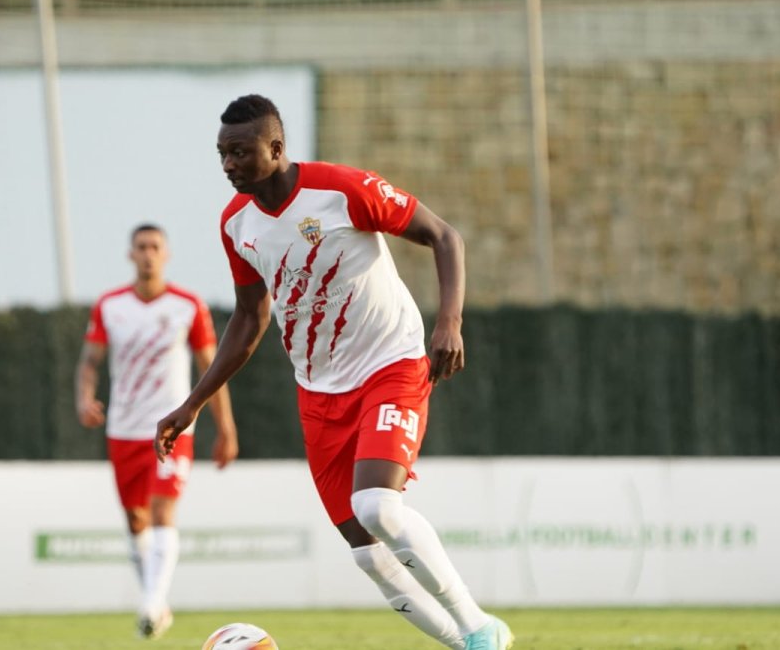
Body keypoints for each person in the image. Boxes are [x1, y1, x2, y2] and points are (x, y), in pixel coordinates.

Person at [156, 95, 514, 650]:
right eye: (222, 154)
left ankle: (480, 628)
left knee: (377, 506)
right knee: (366, 553)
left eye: (241, 152)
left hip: (390, 362)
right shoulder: (236, 225)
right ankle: (467, 642)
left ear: (276, 149)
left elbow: (445, 237)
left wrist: (450, 323)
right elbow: (250, 318)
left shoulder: (343, 189)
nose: (228, 165)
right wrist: (194, 402)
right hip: (318, 390)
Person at [76, 224, 238, 639]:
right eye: (141, 247)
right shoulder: (110, 305)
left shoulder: (188, 305)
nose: (148, 254)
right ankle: (156, 600)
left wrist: (226, 429)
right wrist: (84, 398)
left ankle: (149, 604)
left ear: (166, 254)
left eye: (155, 247)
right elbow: (90, 361)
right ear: (130, 254)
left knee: (163, 510)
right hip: (123, 428)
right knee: (135, 518)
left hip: (173, 426)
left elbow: (211, 369)